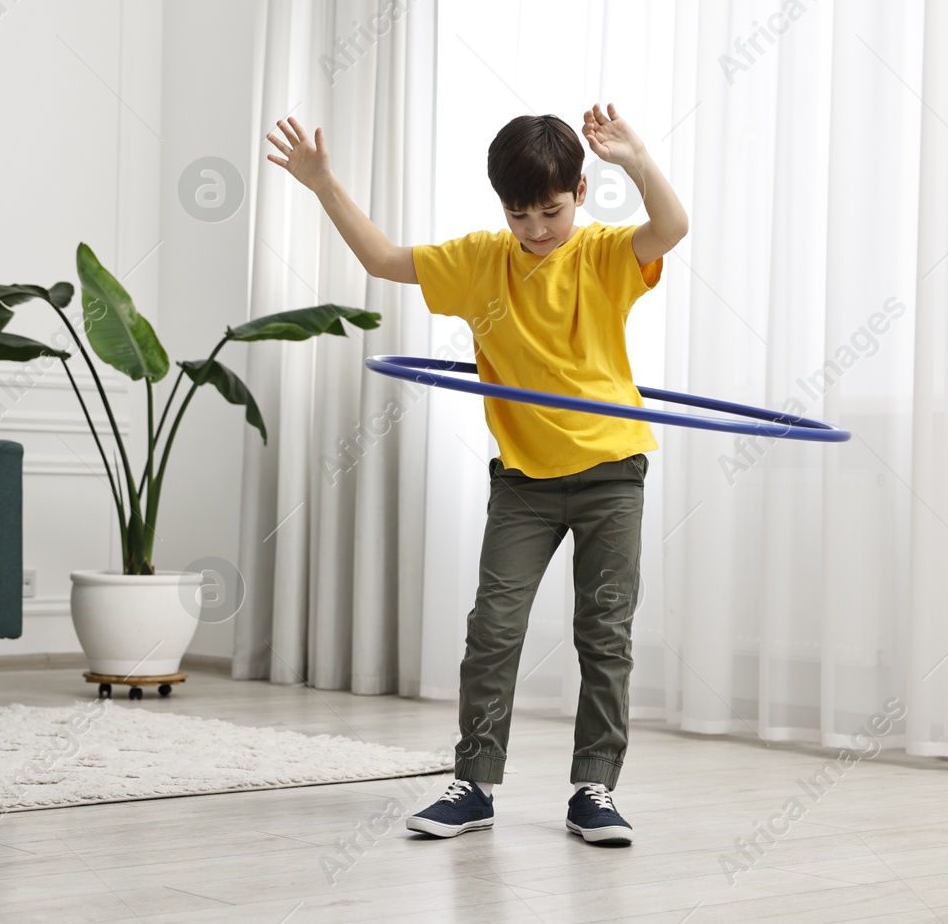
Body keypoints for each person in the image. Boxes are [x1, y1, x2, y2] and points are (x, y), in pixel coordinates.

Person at [265, 104, 688, 847]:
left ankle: (594, 787)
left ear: (579, 193)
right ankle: (476, 782)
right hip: (523, 480)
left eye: (550, 211)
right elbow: (384, 261)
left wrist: (640, 159)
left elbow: (673, 228)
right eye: (519, 213)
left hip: (611, 472)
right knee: (493, 627)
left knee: (604, 630)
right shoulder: (481, 261)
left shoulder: (604, 257)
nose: (535, 229)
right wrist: (323, 182)